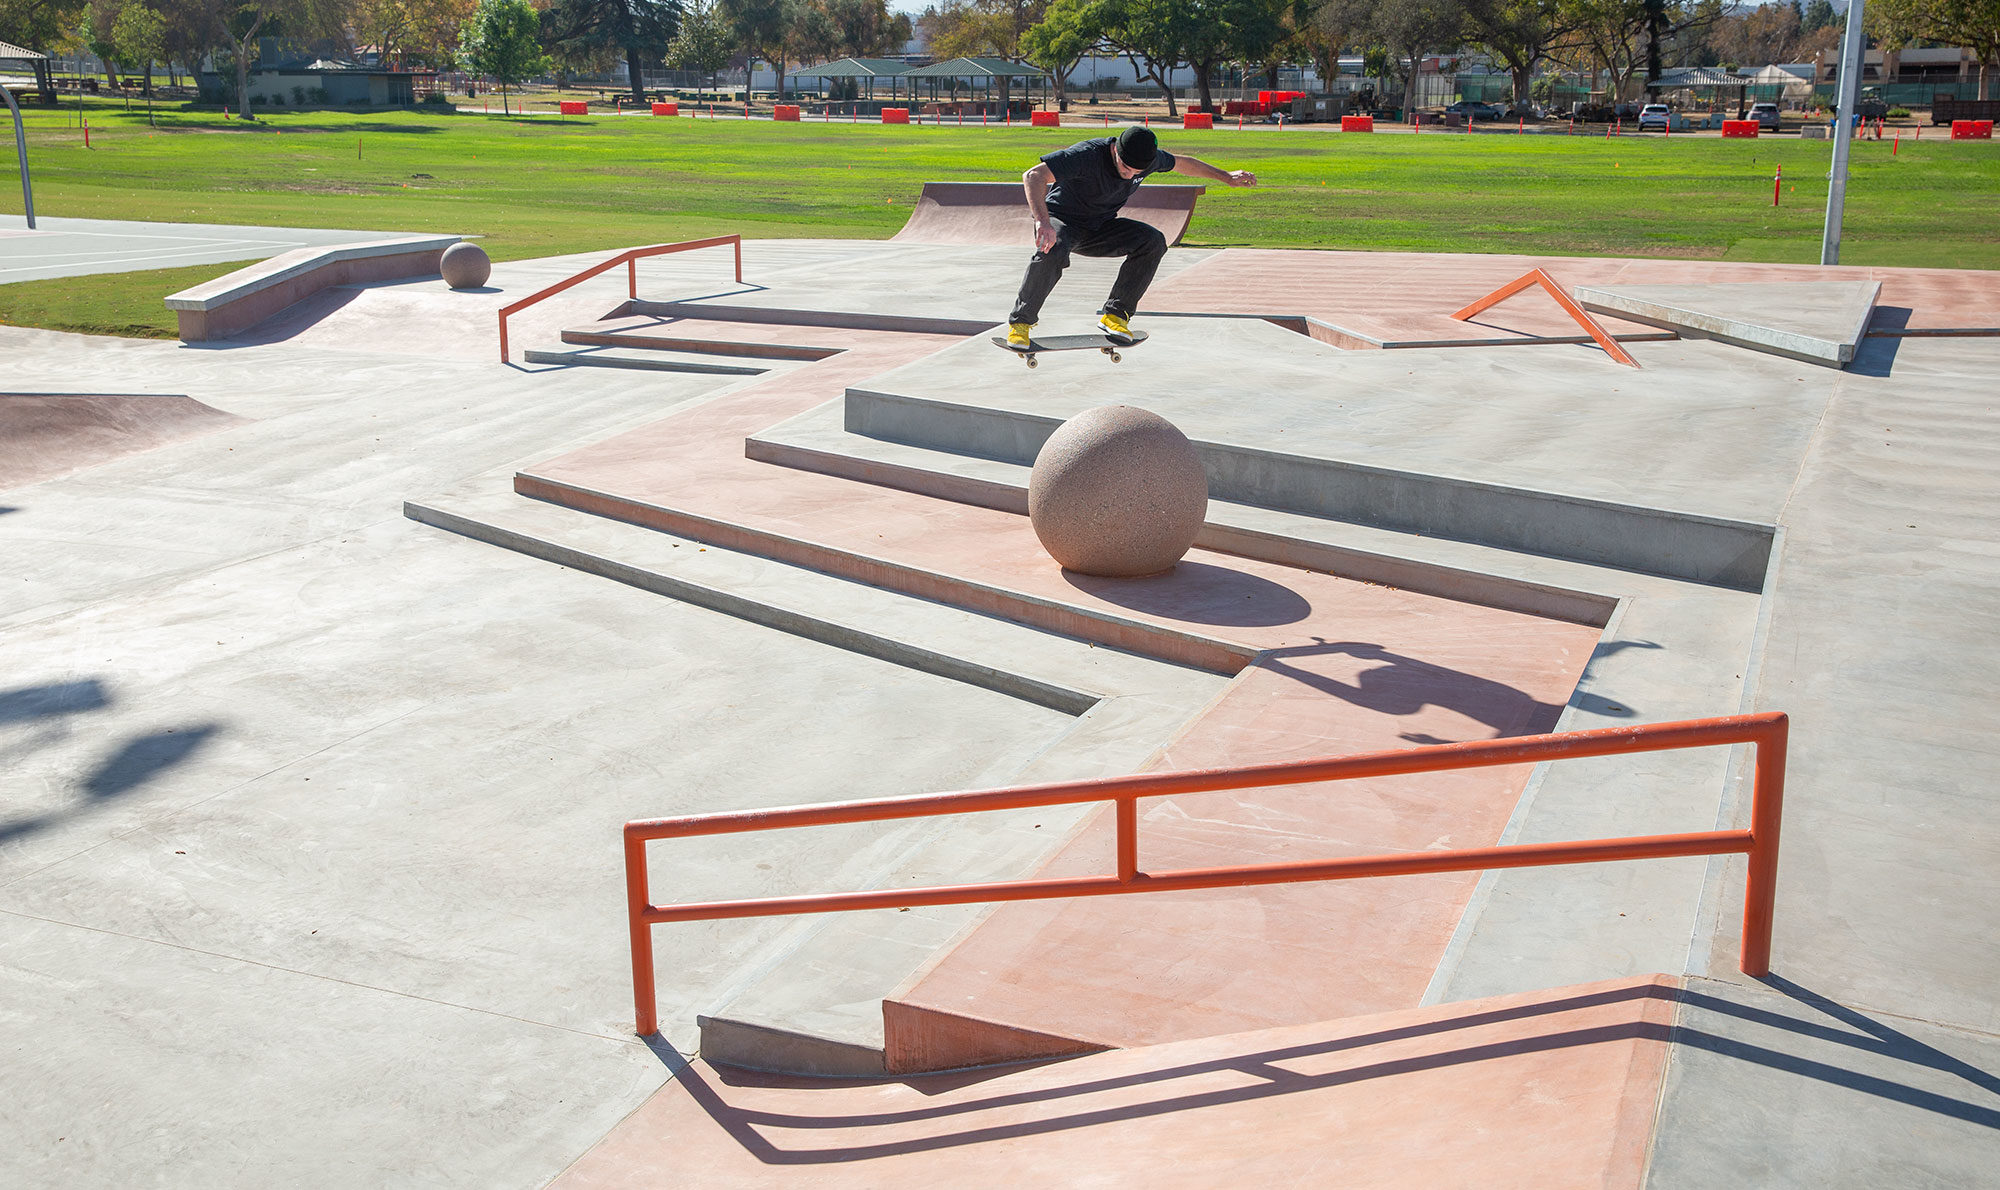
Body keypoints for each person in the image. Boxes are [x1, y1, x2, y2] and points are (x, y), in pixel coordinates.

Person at [1007, 126, 1257, 348]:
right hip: (1062, 221)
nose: (1129, 174)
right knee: (1055, 248)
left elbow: (1183, 163)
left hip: (1101, 228)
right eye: (1125, 167)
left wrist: (1226, 177)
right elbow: (1033, 175)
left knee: (1153, 241)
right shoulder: (1087, 154)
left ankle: (1115, 316)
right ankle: (1020, 323)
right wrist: (1043, 221)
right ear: (1115, 150)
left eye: (1137, 171)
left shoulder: (1150, 160)